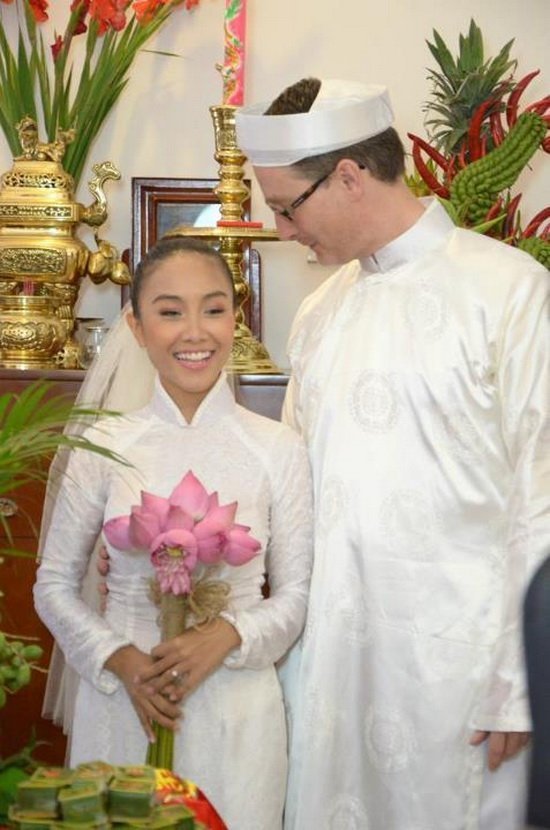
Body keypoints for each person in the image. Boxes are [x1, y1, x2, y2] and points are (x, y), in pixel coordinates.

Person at [235, 78, 550, 829]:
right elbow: (288, 488)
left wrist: (520, 680)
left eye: (287, 207)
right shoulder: (321, 311)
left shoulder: (510, 291)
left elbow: (542, 490)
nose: (281, 230)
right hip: (331, 663)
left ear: (348, 176)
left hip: (462, 670)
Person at [34, 237, 313, 830]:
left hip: (236, 705)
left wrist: (229, 634)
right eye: (169, 311)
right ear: (136, 327)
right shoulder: (103, 444)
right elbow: (53, 585)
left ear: (235, 318)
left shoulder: (278, 448)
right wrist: (121, 659)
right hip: (122, 699)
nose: (195, 332)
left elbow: (296, 596)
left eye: (214, 309)